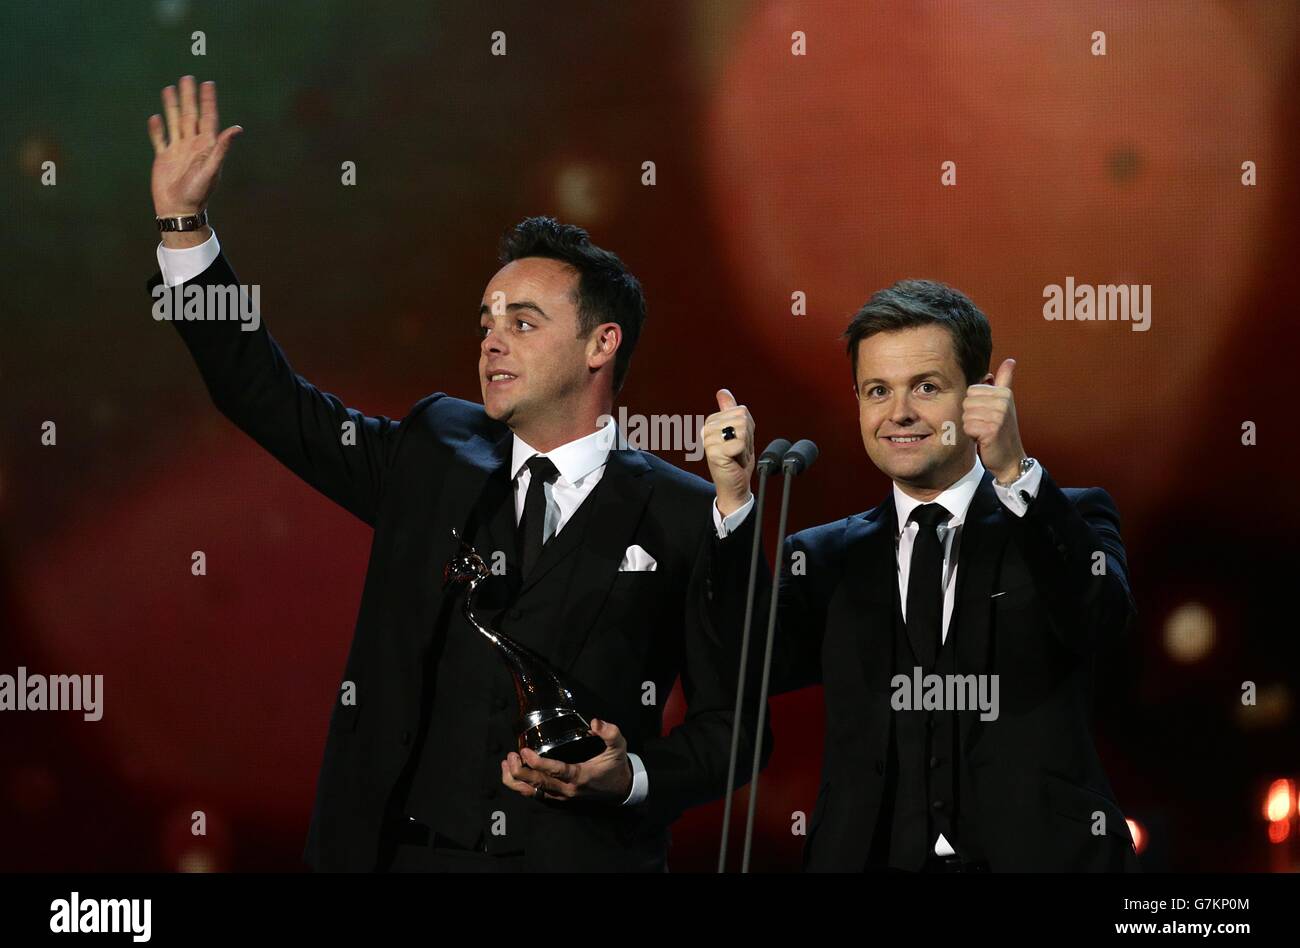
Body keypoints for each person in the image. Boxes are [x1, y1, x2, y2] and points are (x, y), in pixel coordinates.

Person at [145, 76, 768, 872]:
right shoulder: (434, 451)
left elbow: (739, 728)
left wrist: (633, 777)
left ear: (600, 345)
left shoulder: (689, 512)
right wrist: (185, 230)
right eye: (486, 322)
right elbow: (263, 396)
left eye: (523, 321)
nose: (492, 342)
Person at [707, 279, 1140, 872]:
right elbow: (737, 670)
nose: (899, 413)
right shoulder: (824, 557)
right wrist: (734, 507)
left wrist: (1015, 472)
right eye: (877, 390)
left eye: (927, 387)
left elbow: (1101, 621)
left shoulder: (1066, 515)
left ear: (981, 395)